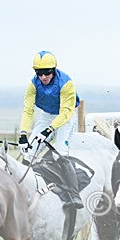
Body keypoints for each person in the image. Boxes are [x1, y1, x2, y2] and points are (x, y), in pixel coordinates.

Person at [18, 50, 83, 209]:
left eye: (47, 73)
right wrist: (23, 134)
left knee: (59, 152)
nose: (43, 77)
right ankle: (20, 189)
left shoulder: (66, 83)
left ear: (53, 70)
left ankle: (74, 195)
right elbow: (28, 110)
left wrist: (49, 130)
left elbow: (66, 113)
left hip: (65, 117)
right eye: (39, 73)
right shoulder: (33, 84)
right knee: (29, 150)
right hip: (47, 115)